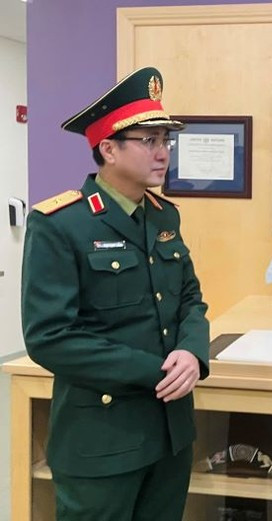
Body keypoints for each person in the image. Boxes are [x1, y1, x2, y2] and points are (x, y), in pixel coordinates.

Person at [21, 67, 210, 520]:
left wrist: (192, 352)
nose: (163, 152)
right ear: (108, 148)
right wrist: (155, 371)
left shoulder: (164, 217)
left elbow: (189, 299)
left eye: (167, 141)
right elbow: (50, 336)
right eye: (150, 140)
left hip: (169, 434)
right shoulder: (60, 224)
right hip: (101, 440)